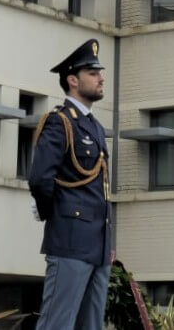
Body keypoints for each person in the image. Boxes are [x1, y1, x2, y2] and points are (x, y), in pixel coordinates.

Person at [28, 39, 112, 329]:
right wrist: (57, 215)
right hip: (70, 240)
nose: (101, 78)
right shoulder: (59, 121)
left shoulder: (95, 127)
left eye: (99, 72)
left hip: (98, 246)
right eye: (93, 72)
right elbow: (40, 179)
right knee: (57, 324)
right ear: (73, 80)